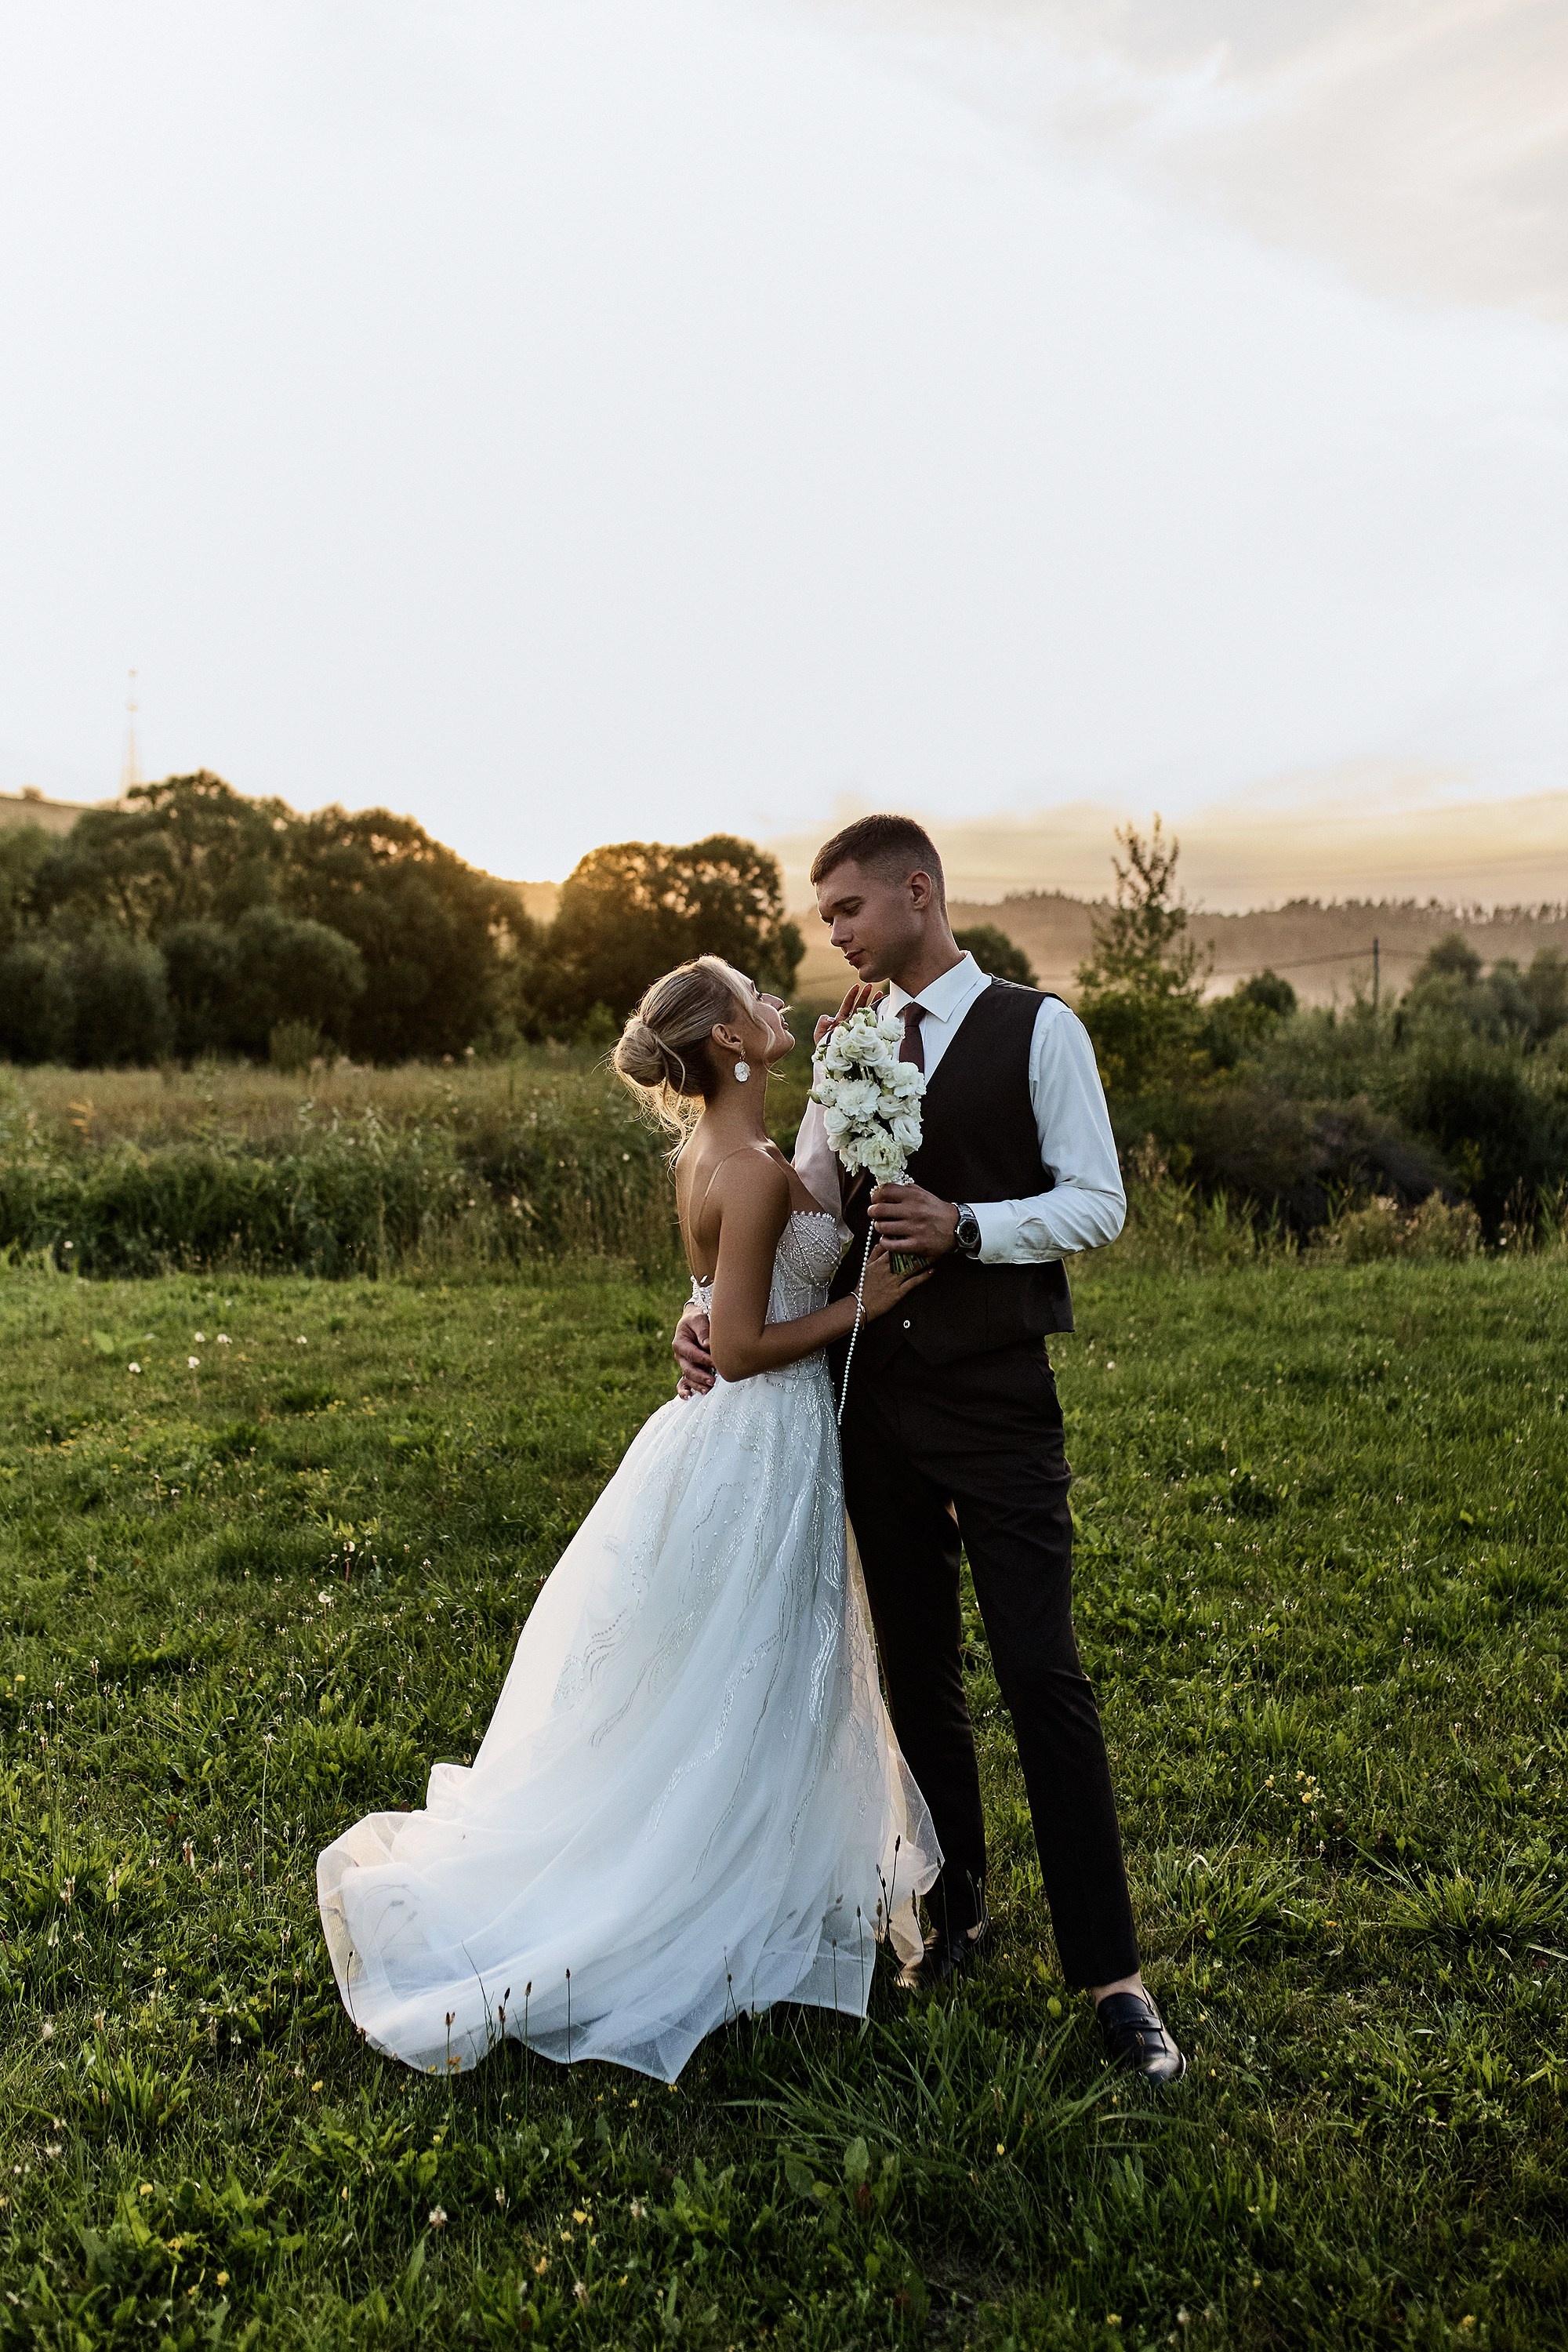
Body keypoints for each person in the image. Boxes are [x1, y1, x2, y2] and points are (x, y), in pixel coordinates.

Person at [318, 955, 938, 2085]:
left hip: (735, 1443)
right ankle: (701, 1891)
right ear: (728, 1043)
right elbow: (743, 1344)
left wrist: (854, 1070)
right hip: (760, 1436)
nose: (776, 999)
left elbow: (719, 1295)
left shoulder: (719, 1149)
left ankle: (756, 1868)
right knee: (748, 1661)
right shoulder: (744, 1168)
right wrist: (866, 1303)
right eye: (756, 995)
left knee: (729, 1665)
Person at [674, 817, 1185, 2085]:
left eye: (847, 909)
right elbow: (794, 1213)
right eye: (827, 917)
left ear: (919, 892)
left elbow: (1099, 1201)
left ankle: (1114, 1977)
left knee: (1041, 1674)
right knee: (919, 1674)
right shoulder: (847, 1042)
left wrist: (967, 1227)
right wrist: (697, 1323)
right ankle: (958, 1909)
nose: (832, 935)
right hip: (867, 1404)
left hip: (999, 1401)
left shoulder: (1037, 1029)